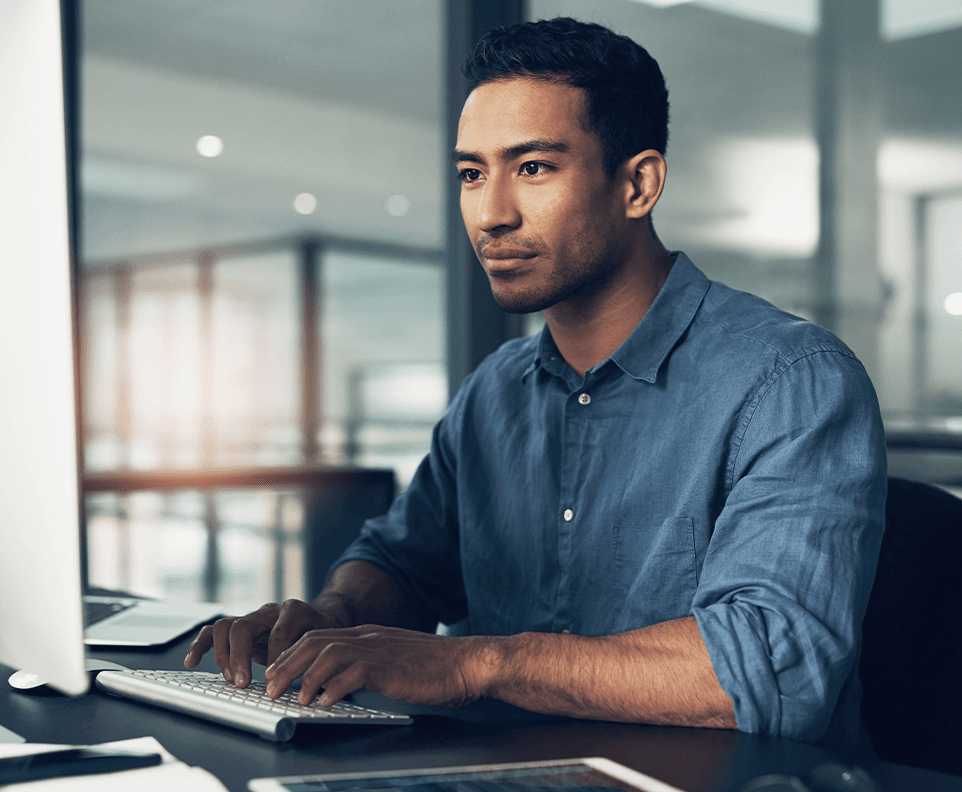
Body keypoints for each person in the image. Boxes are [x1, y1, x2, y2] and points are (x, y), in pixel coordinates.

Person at [185, 17, 886, 748]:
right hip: (498, 768)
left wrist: (477, 663)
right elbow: (404, 560)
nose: (491, 213)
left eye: (533, 168)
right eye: (471, 173)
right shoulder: (494, 390)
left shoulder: (792, 381)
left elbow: (772, 667)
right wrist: (329, 619)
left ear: (638, 184)